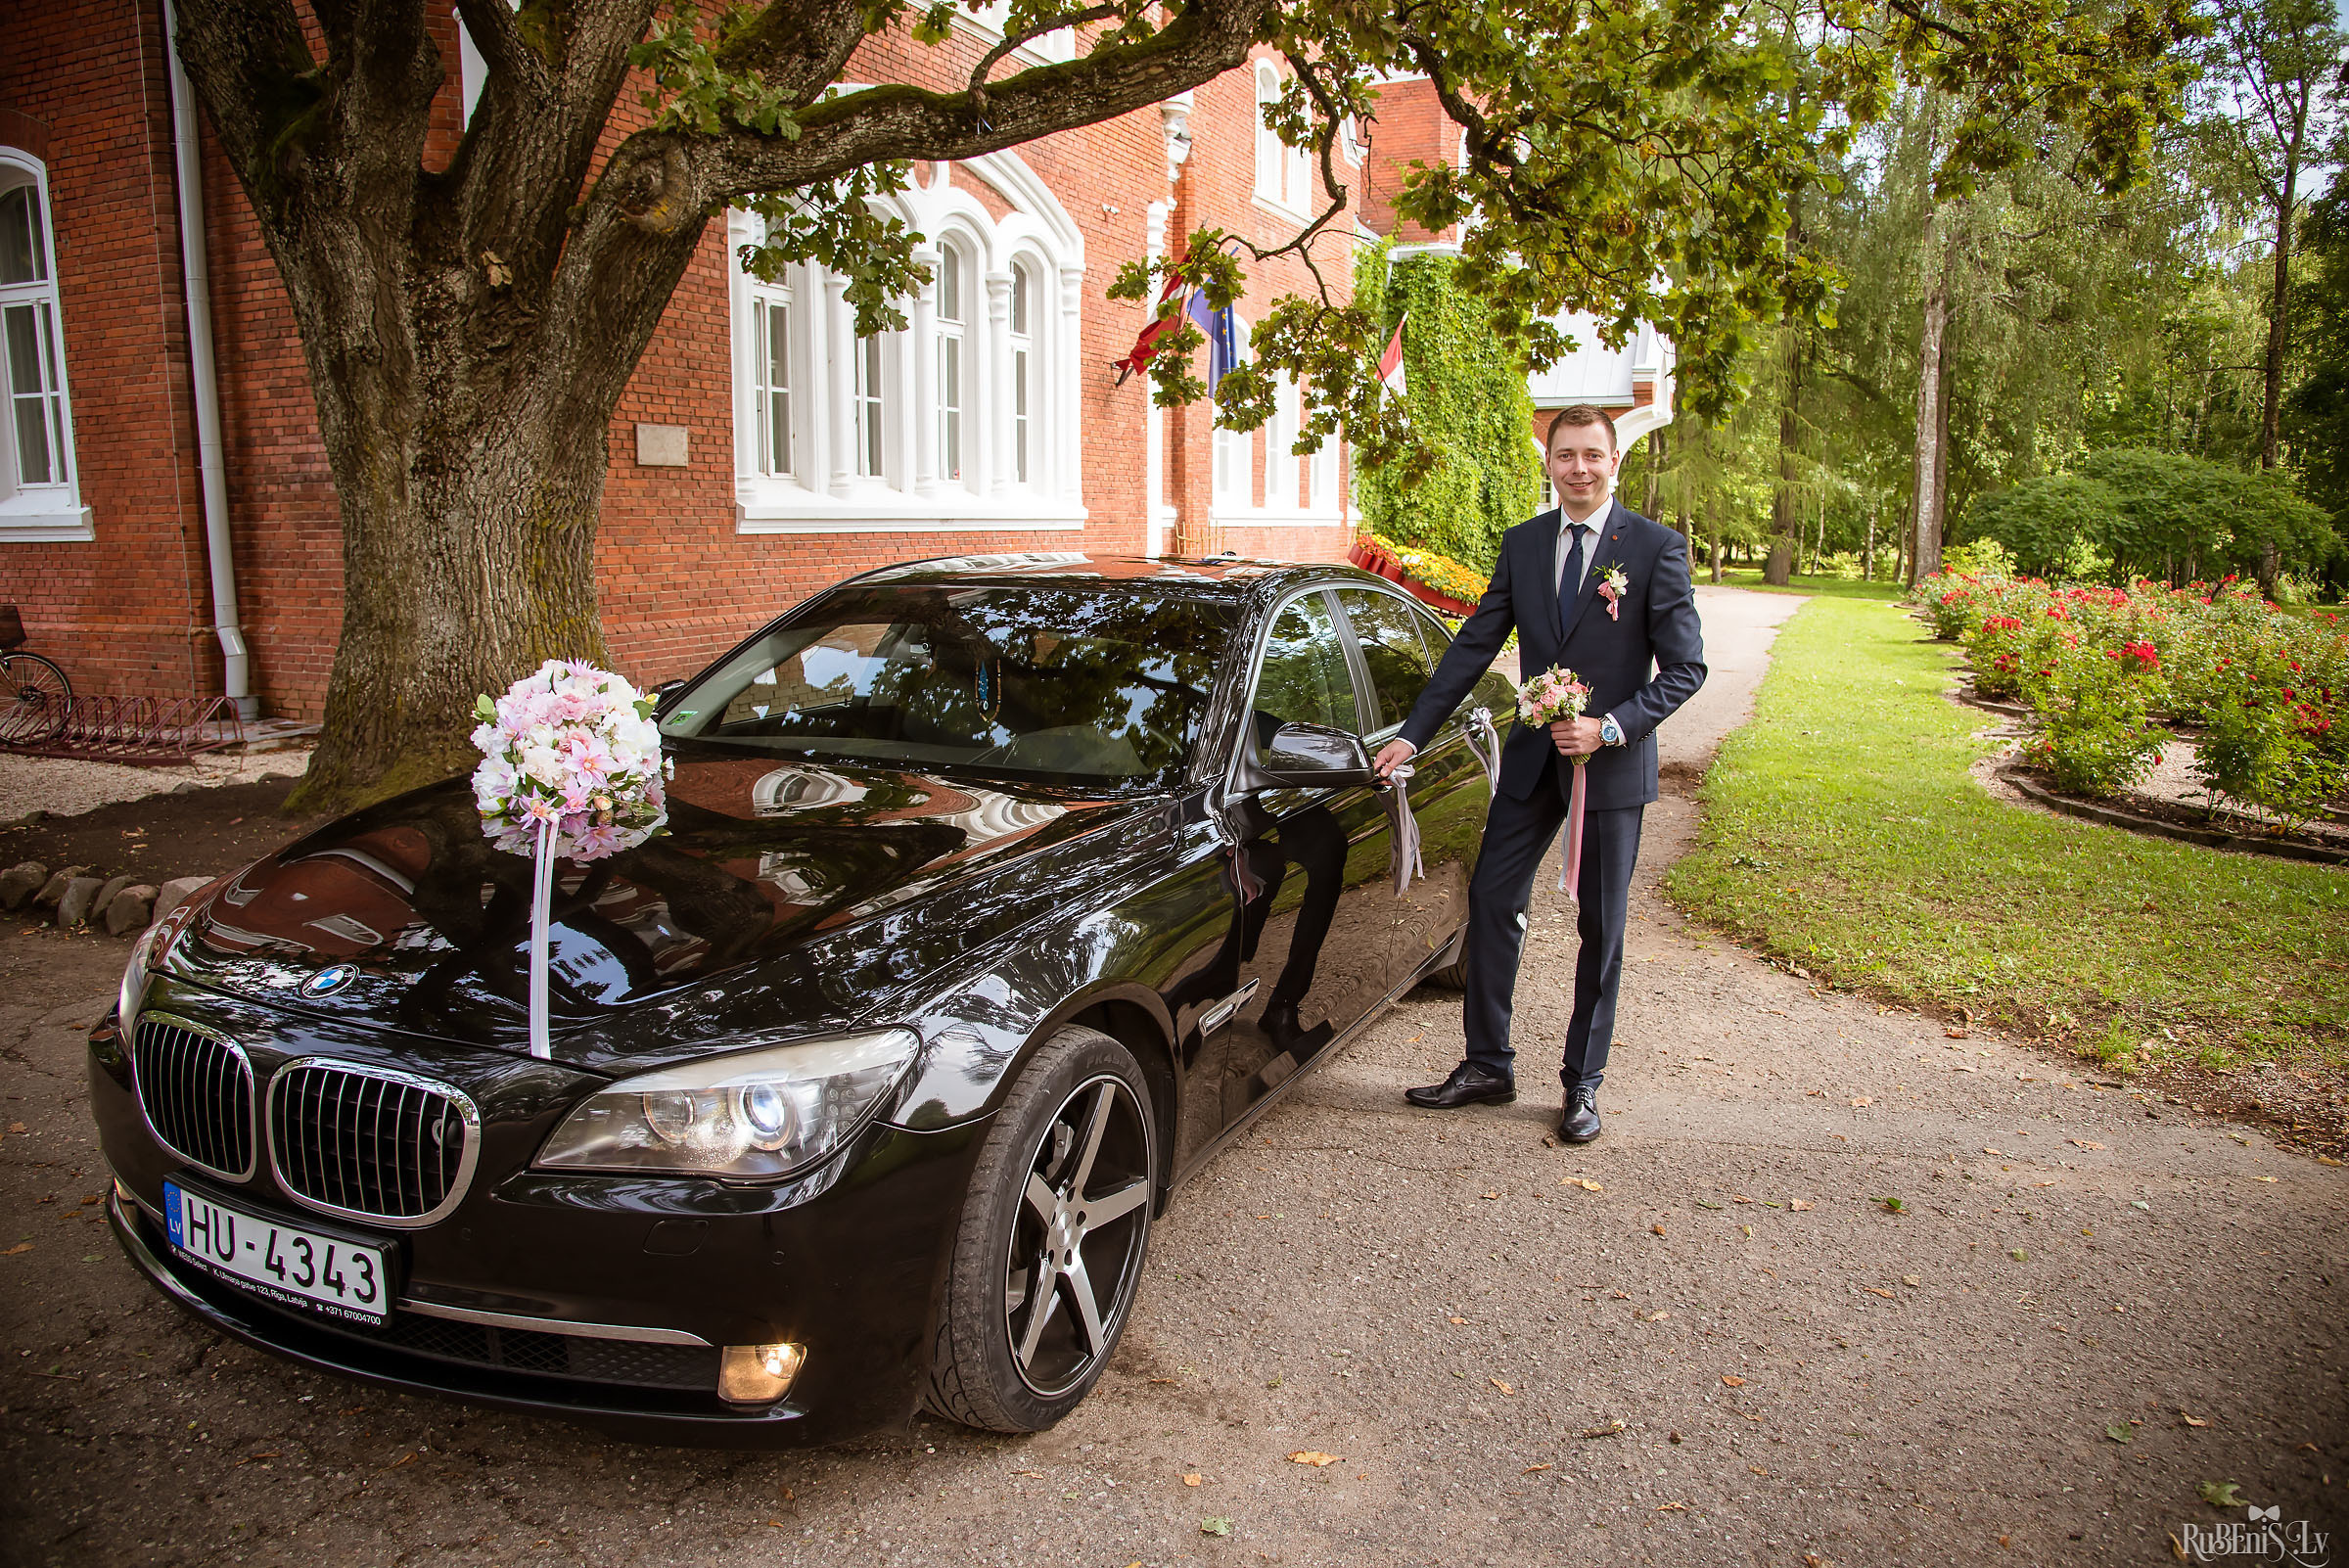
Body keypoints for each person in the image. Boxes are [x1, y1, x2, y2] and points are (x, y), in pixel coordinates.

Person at [1372, 404, 1706, 1143]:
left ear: (1614, 461)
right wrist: (1413, 734)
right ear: (1549, 463)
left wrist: (1611, 726)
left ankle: (1582, 1084)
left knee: (1601, 926)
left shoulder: (1655, 549)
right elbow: (1473, 644)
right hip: (1531, 760)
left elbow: (1687, 669)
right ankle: (1487, 1063)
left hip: (1611, 770)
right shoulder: (1523, 544)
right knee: (1491, 900)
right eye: (1565, 456)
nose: (1578, 469)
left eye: (1592, 455)